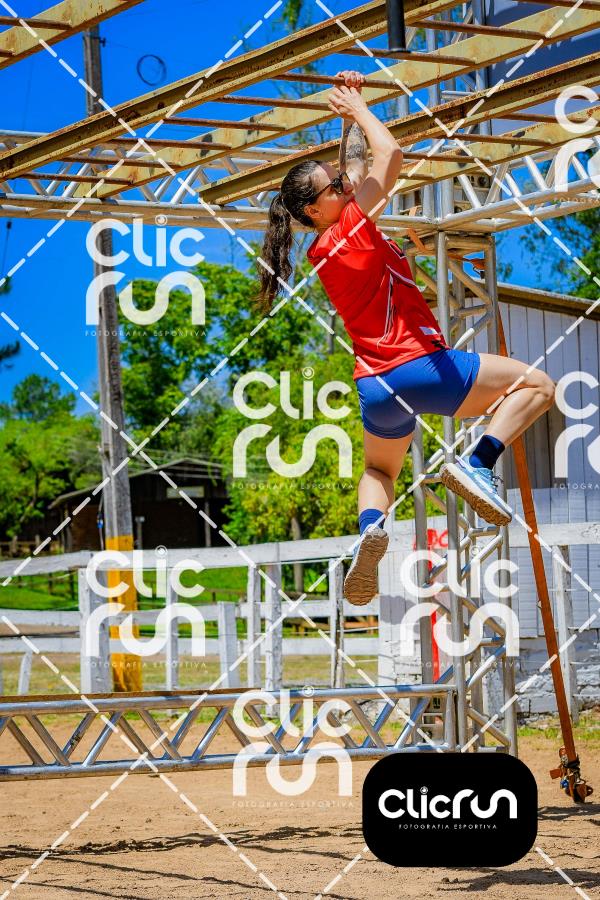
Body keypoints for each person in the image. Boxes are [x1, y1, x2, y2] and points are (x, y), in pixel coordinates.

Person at [257, 70, 555, 606]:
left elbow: (354, 167)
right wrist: (362, 111)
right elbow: (388, 155)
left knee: (379, 469)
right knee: (537, 386)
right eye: (334, 188)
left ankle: (370, 530)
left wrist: (347, 113)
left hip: (375, 385)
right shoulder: (351, 225)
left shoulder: (332, 242)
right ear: (314, 210)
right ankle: (478, 464)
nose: (345, 185)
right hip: (419, 367)